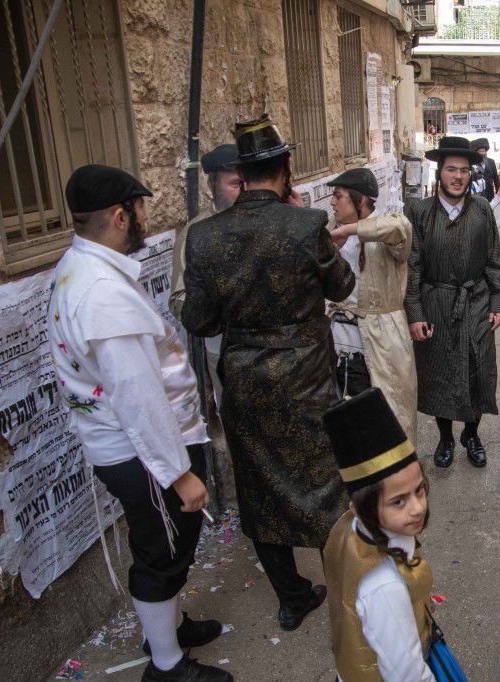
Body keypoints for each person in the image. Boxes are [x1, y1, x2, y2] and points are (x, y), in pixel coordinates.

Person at [49, 165, 230, 682]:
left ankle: (168, 628)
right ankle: (166, 665)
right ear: (119, 215)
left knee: (167, 545)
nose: (146, 218)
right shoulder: (101, 293)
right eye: (141, 209)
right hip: (144, 452)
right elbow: (138, 398)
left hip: (140, 448)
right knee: (161, 555)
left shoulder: (84, 267)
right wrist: (180, 474)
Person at [182, 114, 356, 631]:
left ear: (241, 172)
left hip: (246, 386)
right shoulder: (305, 225)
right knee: (324, 488)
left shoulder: (205, 237)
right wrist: (305, 224)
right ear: (286, 167)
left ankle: (291, 598)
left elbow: (200, 321)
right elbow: (343, 285)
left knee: (261, 491)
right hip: (307, 382)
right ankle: (348, 597)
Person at [321, 388, 461, 682]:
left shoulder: (350, 527)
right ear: (361, 507)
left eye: (419, 490)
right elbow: (407, 673)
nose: (417, 508)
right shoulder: (385, 587)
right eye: (398, 501)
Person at [404, 136, 500, 469]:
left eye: (464, 170)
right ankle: (446, 437)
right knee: (440, 373)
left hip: (475, 300)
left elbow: (494, 259)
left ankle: (472, 435)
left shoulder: (481, 209)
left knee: (478, 370)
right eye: (451, 169)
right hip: (436, 302)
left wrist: (498, 302)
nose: (458, 176)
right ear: (440, 171)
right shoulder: (419, 212)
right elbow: (411, 267)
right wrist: (415, 313)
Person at [325, 167, 418, 443]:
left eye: (338, 196)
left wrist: (349, 231)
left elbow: (399, 228)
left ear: (360, 199)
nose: (332, 202)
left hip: (382, 338)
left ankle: (397, 470)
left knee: (389, 414)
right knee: (345, 413)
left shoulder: (387, 228)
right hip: (339, 338)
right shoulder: (331, 232)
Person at [170, 143, 242, 407]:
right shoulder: (195, 233)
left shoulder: (267, 219)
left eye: (247, 183)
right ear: (212, 184)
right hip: (224, 349)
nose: (244, 192)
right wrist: (219, 312)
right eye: (235, 184)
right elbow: (179, 298)